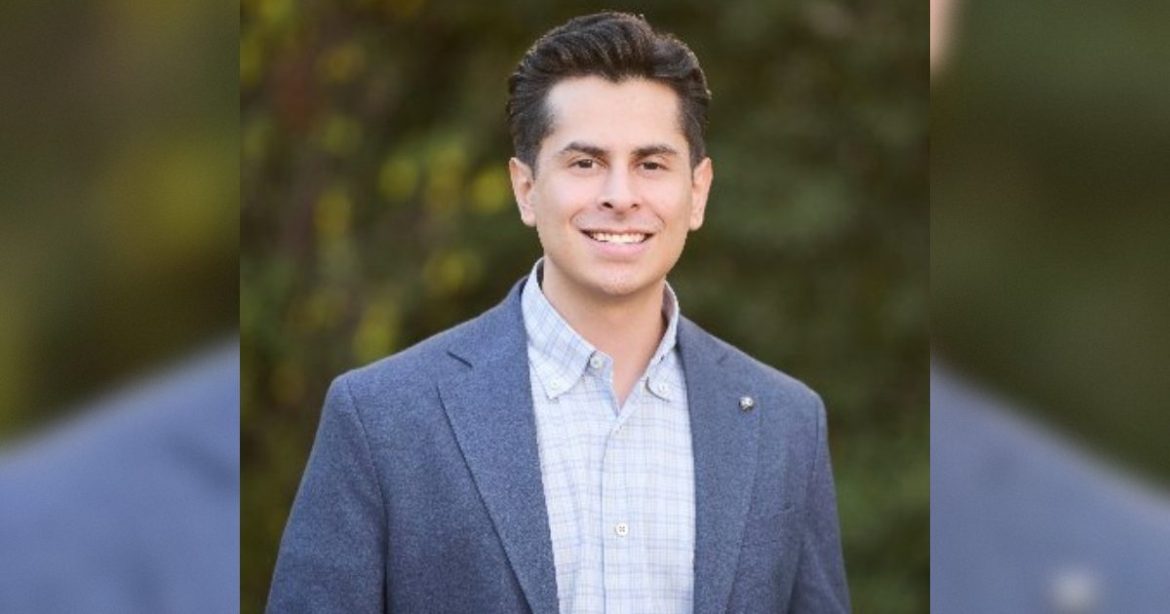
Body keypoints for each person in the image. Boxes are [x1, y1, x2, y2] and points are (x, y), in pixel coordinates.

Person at [267, 12, 849, 613]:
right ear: (526, 188)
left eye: (651, 164)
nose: (620, 196)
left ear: (697, 191)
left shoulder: (786, 423)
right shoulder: (383, 418)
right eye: (585, 163)